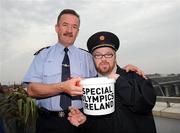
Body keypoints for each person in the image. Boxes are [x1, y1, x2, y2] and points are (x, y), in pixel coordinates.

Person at [23, 9, 146, 133]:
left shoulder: (88, 57)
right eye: (65, 25)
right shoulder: (42, 56)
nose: (69, 30)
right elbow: (31, 90)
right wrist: (62, 87)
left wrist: (127, 70)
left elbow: (105, 73)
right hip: (48, 123)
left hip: (82, 122)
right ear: (57, 28)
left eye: (74, 27)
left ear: (78, 31)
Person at [68, 31, 157, 133]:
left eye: (108, 54)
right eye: (98, 55)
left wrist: (119, 81)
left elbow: (145, 105)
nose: (103, 59)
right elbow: (96, 124)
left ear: (115, 56)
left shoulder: (135, 76)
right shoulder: (89, 86)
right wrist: (84, 122)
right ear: (93, 59)